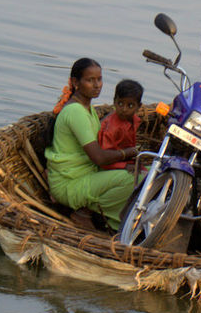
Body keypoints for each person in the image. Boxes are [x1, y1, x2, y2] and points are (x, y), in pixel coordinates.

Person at [45, 58, 139, 231]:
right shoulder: (75, 112)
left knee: (140, 173)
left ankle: (101, 213)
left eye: (99, 79)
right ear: (75, 82)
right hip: (70, 184)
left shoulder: (89, 110)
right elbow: (99, 158)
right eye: (90, 80)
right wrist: (129, 153)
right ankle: (90, 213)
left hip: (85, 176)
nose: (97, 85)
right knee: (134, 180)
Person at [98, 79, 143, 171]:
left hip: (127, 162)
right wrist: (124, 166)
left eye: (130, 106)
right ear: (114, 102)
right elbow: (104, 158)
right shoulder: (111, 128)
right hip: (111, 167)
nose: (124, 109)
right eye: (120, 104)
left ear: (139, 106)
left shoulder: (136, 121)